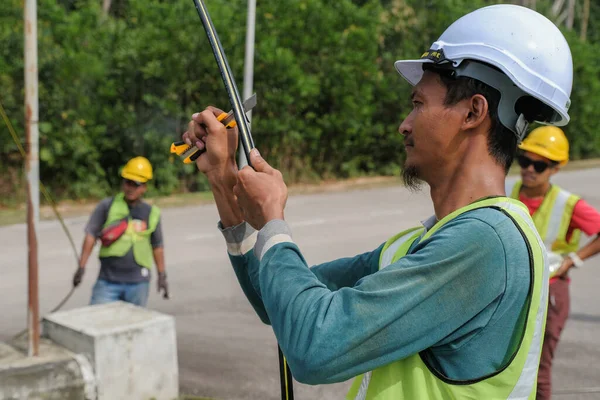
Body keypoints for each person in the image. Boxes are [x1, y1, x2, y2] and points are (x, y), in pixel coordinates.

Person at [184, 5, 572, 398]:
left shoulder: (487, 241)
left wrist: (272, 222)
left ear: (473, 111)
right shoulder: (421, 245)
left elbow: (314, 348)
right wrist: (223, 178)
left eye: (419, 104)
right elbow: (277, 302)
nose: (404, 123)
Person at [506, 126, 600, 400]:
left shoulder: (567, 204)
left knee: (538, 370)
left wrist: (574, 260)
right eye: (525, 161)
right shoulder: (507, 191)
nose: (530, 169)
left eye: (540, 165)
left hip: (550, 292)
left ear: (555, 169)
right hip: (512, 289)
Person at [72, 156, 169, 307]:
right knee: (98, 324)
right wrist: (81, 267)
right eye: (127, 182)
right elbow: (90, 235)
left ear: (144, 187)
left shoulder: (151, 213)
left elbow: (157, 246)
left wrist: (162, 275)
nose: (130, 188)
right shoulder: (107, 206)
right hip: (107, 282)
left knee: (133, 327)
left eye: (135, 184)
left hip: (138, 284)